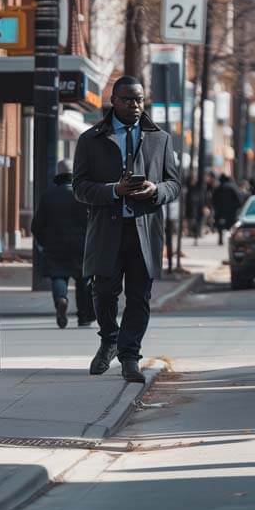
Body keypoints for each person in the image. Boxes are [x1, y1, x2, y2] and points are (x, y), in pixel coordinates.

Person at [73, 76, 181, 383]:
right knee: (104, 291)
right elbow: (79, 187)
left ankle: (130, 356)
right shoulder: (90, 139)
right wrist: (114, 190)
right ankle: (109, 338)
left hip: (145, 231)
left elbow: (174, 184)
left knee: (139, 296)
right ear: (113, 101)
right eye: (128, 100)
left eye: (140, 100)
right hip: (108, 229)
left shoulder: (160, 139)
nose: (135, 105)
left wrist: (154, 190)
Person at [31, 159, 95, 329]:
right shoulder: (83, 194)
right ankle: (84, 317)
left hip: (55, 246)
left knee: (58, 276)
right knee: (83, 280)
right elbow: (94, 222)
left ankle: (61, 299)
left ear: (57, 175)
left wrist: (44, 243)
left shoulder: (48, 196)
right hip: (81, 245)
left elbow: (36, 225)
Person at [212, 174, 242, 245]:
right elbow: (239, 199)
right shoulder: (233, 187)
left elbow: (213, 199)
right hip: (231, 211)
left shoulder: (219, 188)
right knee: (232, 227)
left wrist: (216, 208)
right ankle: (233, 240)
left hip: (221, 211)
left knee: (220, 227)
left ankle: (220, 240)